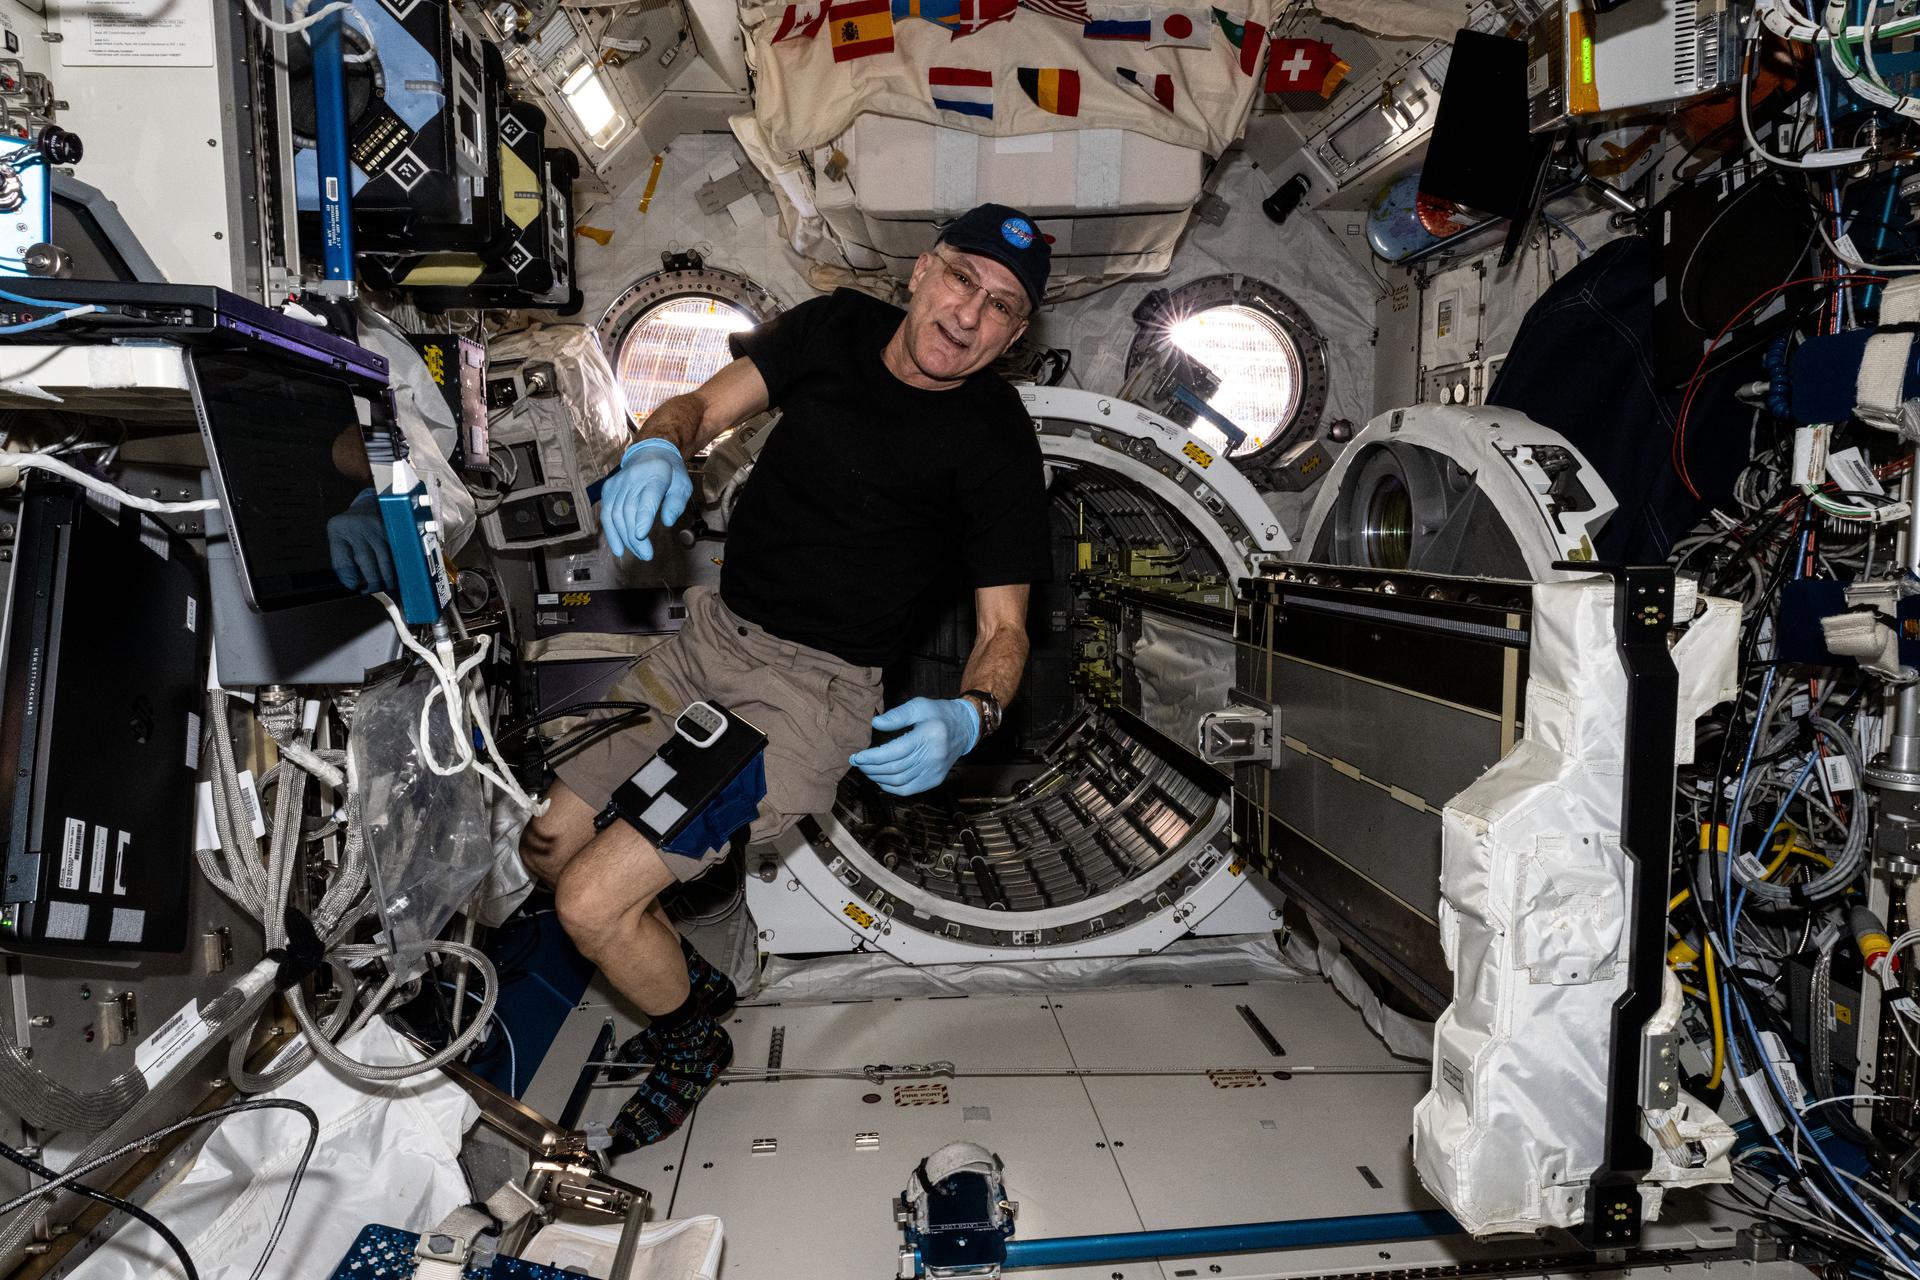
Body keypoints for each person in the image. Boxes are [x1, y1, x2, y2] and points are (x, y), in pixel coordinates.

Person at [518, 203, 1055, 1150]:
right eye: (964, 280)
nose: (971, 315)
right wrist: (656, 442)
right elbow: (701, 406)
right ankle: (695, 925)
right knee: (551, 845)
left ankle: (690, 1039)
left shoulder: (996, 439)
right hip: (710, 640)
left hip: (812, 695)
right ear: (923, 271)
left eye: (1003, 308)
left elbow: (1004, 628)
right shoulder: (833, 328)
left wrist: (973, 715)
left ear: (1016, 335)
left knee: (590, 901)